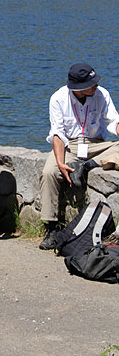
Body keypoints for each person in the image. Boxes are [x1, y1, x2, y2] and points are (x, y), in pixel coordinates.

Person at [39, 62, 119, 250]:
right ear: (78, 87)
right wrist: (60, 162)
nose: (95, 85)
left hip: (96, 144)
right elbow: (57, 134)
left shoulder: (102, 94)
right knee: (49, 172)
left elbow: (114, 121)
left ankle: (88, 165)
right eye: (91, 84)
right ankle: (51, 228)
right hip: (70, 145)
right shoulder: (58, 98)